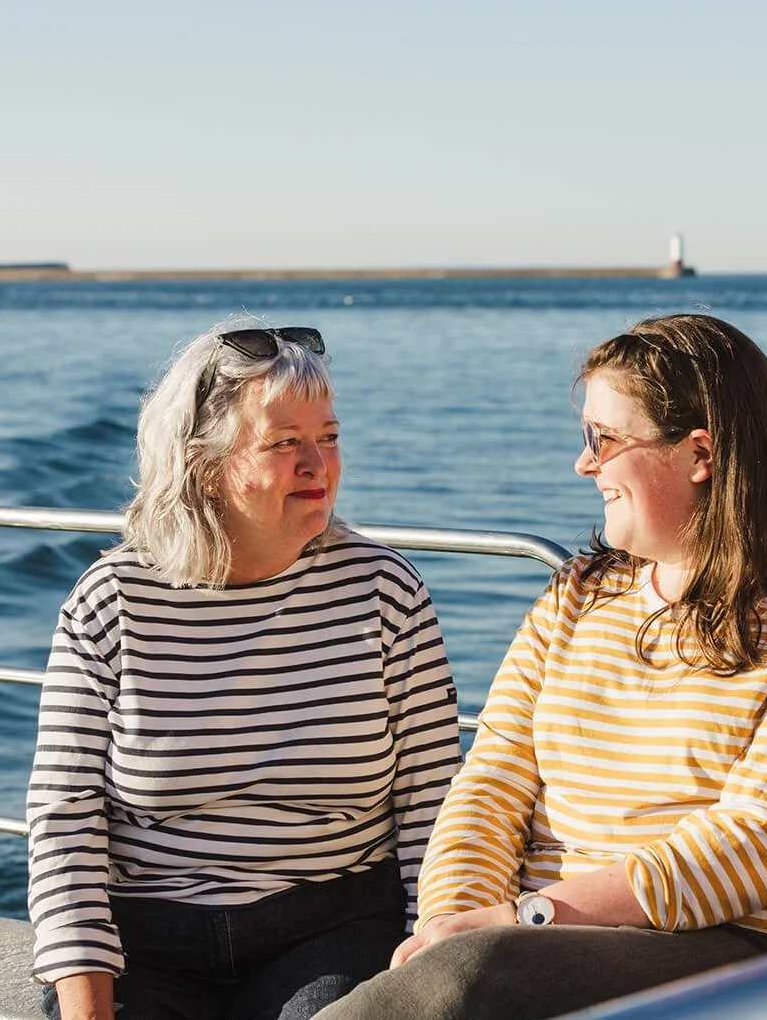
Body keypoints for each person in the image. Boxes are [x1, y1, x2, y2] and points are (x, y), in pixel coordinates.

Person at [318, 313, 767, 1020]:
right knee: (455, 970)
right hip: (541, 947)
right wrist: (451, 920)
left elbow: (763, 840)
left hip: (759, 959)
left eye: (603, 439)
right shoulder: (577, 597)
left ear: (700, 453)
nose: (584, 463)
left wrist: (525, 917)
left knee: (473, 977)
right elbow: (491, 782)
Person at [26, 324, 463, 1020]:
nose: (319, 462)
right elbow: (64, 824)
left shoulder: (385, 592)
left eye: (329, 435)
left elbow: (432, 810)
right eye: (285, 442)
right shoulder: (110, 604)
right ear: (205, 466)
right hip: (147, 942)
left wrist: (428, 963)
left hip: (334, 930)